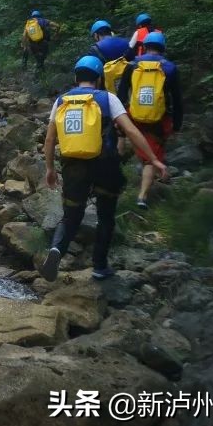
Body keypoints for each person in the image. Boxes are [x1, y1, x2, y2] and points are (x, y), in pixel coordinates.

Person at [40, 56, 169, 281]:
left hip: (73, 166)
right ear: (99, 78)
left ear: (76, 77)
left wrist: (49, 169)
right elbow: (130, 131)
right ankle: (100, 266)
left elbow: (50, 141)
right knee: (106, 215)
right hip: (105, 164)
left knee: (71, 215)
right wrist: (153, 158)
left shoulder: (61, 101)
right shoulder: (107, 98)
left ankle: (56, 250)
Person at [116, 31, 183, 209]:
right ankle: (142, 196)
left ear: (144, 46)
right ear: (163, 48)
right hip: (159, 120)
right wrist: (177, 126)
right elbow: (177, 100)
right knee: (150, 158)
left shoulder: (131, 65)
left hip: (134, 115)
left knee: (136, 145)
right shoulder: (169, 68)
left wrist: (120, 125)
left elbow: (121, 95)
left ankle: (116, 173)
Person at [89, 20, 133, 95]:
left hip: (106, 90)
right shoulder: (126, 43)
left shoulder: (95, 48)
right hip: (128, 87)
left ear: (96, 35)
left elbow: (93, 72)